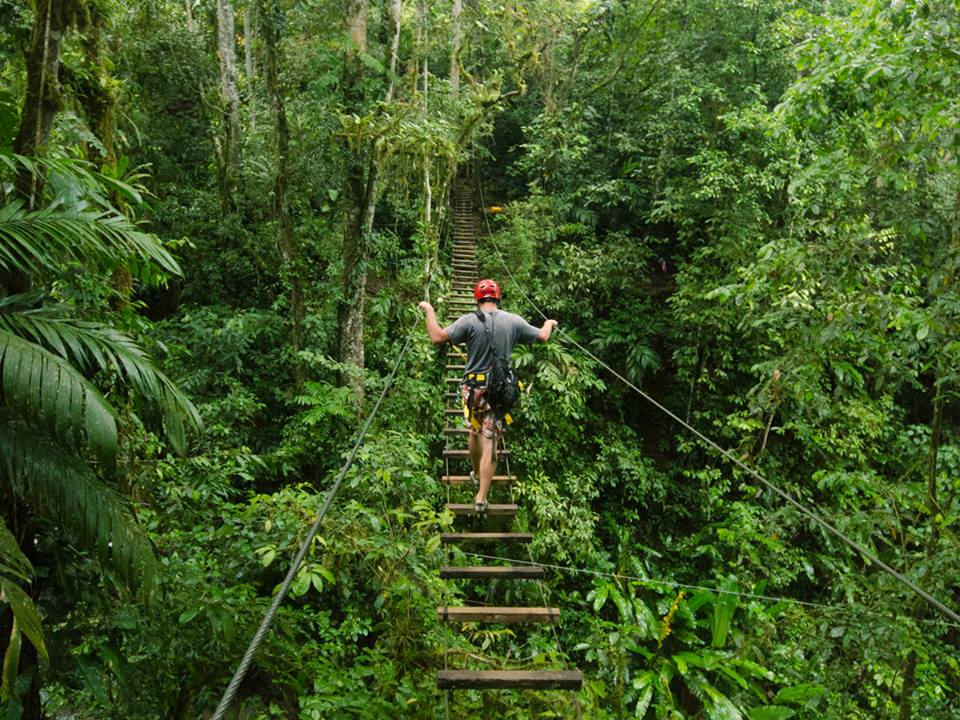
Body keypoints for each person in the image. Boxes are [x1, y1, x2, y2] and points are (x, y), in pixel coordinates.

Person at [419, 279, 558, 512]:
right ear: (497, 298)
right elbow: (543, 337)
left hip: (473, 391)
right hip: (498, 391)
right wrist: (549, 323)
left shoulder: (469, 320)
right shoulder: (513, 321)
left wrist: (430, 311)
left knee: (474, 430)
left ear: (477, 299)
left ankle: (475, 472)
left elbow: (436, 337)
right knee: (490, 440)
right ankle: (481, 497)